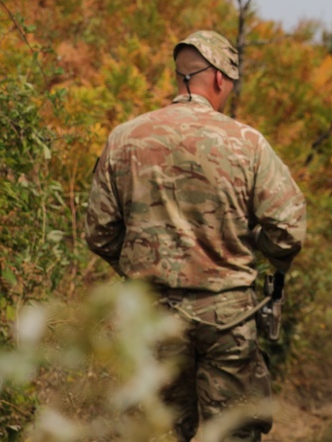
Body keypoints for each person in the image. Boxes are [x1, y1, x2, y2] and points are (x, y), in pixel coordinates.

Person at [85, 30, 307, 442]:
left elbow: (99, 232)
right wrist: (251, 243)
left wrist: (139, 264)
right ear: (221, 79)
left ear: (180, 75)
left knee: (157, 431)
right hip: (228, 314)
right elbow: (289, 231)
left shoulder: (125, 138)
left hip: (150, 315)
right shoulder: (247, 143)